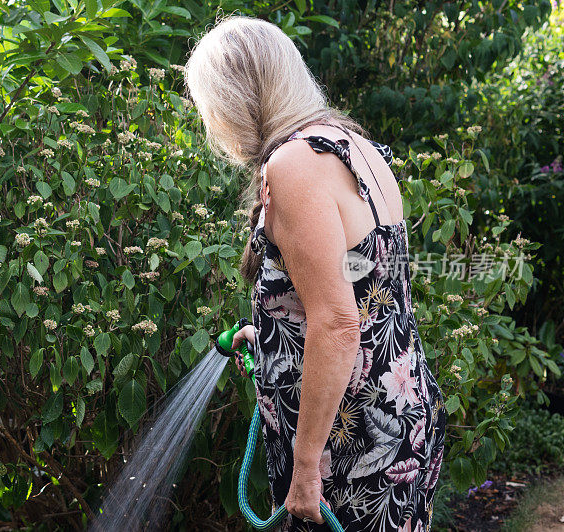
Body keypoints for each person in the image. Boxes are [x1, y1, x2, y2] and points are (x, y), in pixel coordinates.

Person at [184, 15, 447, 532]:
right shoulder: (349, 144)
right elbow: (365, 283)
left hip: (351, 450)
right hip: (398, 419)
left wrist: (307, 468)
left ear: (236, 99)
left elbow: (338, 323)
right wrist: (272, 335)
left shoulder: (294, 165)